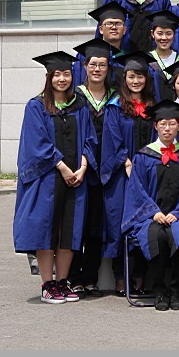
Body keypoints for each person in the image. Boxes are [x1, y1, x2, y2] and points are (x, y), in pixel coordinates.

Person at [14, 52, 97, 304]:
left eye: (66, 74)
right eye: (57, 74)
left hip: (76, 179)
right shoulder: (36, 106)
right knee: (47, 230)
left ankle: (62, 282)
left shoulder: (79, 107)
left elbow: (90, 139)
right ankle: (47, 284)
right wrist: (62, 167)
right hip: (47, 179)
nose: (62, 79)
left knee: (69, 231)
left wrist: (82, 167)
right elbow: (36, 143)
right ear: (48, 77)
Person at [122, 100, 179, 311]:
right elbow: (137, 189)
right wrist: (153, 212)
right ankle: (159, 292)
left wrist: (178, 213)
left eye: (172, 123)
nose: (167, 128)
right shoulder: (144, 156)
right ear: (155, 125)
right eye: (163, 124)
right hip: (150, 218)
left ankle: (177, 291)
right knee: (155, 236)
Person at [100, 52, 157, 296]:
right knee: (120, 222)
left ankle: (140, 276)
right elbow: (111, 137)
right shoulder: (115, 107)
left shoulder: (153, 106)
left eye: (140, 76)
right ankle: (121, 276)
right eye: (131, 76)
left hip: (147, 172)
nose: (136, 81)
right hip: (122, 175)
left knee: (145, 221)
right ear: (124, 79)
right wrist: (125, 161)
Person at [69, 38, 117, 297]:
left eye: (102, 65)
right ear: (84, 66)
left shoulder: (116, 97)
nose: (97, 69)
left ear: (109, 68)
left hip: (106, 170)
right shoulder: (74, 96)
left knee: (98, 224)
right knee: (77, 222)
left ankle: (90, 277)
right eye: (93, 64)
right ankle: (74, 276)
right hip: (80, 167)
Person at [145, 10, 179, 101]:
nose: (164, 38)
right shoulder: (147, 60)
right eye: (160, 33)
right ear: (152, 34)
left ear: (174, 34)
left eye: (168, 33)